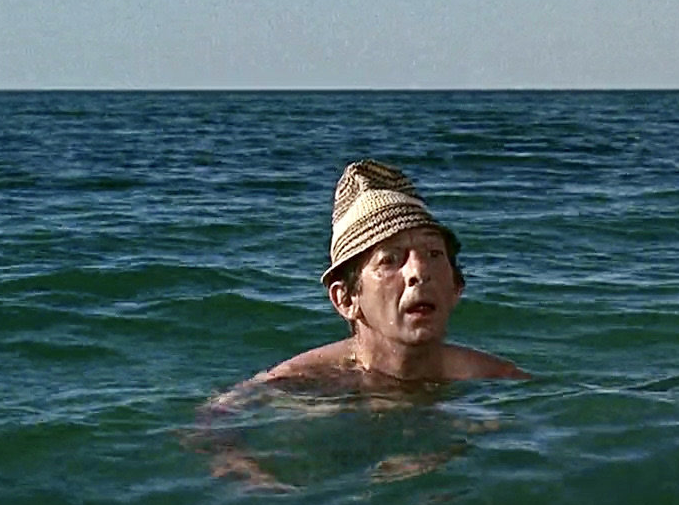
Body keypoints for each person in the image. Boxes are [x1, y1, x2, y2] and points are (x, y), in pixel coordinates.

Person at [209, 158, 527, 411]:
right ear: (346, 299)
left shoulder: (499, 382)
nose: (419, 271)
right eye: (390, 259)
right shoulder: (299, 383)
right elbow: (215, 421)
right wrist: (243, 468)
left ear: (456, 286)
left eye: (433, 254)